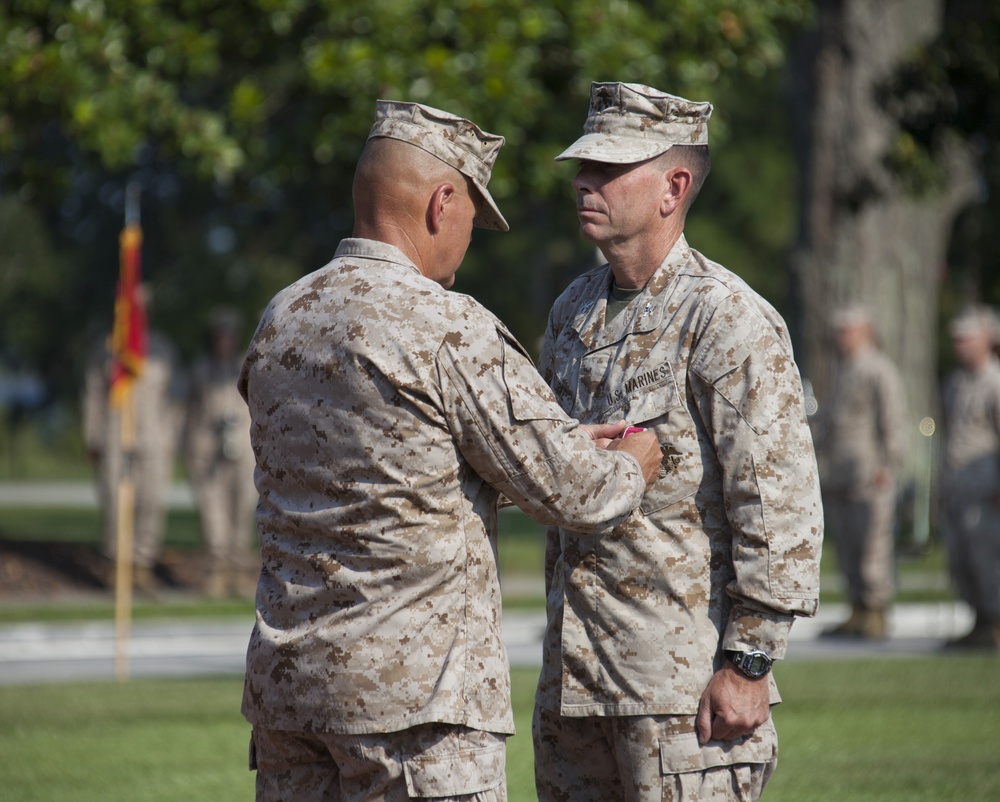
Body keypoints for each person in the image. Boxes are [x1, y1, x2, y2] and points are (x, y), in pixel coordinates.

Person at [238, 99, 662, 802]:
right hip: (415, 709)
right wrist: (632, 465)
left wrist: (512, 457)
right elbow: (578, 493)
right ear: (442, 203)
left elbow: (376, 466)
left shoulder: (284, 314)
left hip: (292, 696)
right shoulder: (445, 325)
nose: (470, 239)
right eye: (472, 216)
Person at [533, 81, 823, 802]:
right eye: (583, 166)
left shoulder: (727, 318)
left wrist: (749, 663)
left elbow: (779, 505)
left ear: (674, 186)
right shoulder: (572, 311)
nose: (583, 181)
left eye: (608, 169)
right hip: (576, 686)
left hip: (682, 691)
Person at [813, 305, 908, 640]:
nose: (841, 336)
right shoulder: (843, 369)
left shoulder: (878, 368)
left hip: (870, 473)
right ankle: (857, 609)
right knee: (849, 546)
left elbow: (893, 418)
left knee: (872, 547)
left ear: (865, 330)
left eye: (847, 330)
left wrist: (889, 464)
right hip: (841, 474)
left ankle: (876, 612)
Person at [81, 326, 182, 593]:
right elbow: (93, 395)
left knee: (150, 502)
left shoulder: (163, 349)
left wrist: (172, 436)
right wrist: (92, 436)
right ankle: (117, 565)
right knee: (115, 500)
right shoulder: (106, 349)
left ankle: (142, 566)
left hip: (153, 437)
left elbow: (174, 398)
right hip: (115, 434)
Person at [183, 307, 256, 597]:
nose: (224, 340)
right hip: (207, 448)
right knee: (212, 513)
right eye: (219, 335)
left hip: (242, 447)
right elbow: (185, 410)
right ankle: (217, 570)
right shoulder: (200, 369)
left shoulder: (247, 365)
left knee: (241, 509)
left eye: (230, 335)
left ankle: (238, 571)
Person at [940, 306, 1000, 650]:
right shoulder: (956, 381)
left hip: (987, 487)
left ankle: (994, 622)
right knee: (962, 559)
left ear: (988, 339)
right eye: (956, 339)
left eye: (967, 338)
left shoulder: (995, 381)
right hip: (959, 485)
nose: (959, 344)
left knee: (988, 558)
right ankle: (979, 620)